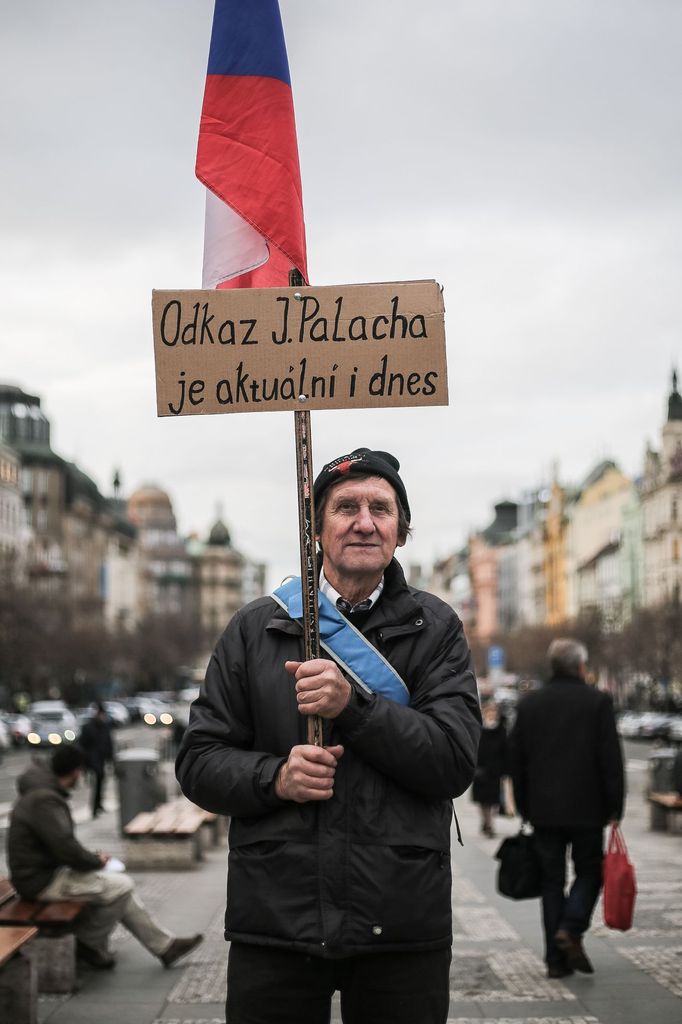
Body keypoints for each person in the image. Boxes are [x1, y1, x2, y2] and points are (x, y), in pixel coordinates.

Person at [176, 446, 481, 1024]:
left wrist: (354, 708)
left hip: (399, 920)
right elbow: (198, 761)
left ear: (402, 530)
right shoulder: (254, 628)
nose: (364, 522)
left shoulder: (436, 627)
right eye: (345, 507)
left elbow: (453, 760)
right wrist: (277, 779)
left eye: (381, 509)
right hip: (277, 923)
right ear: (315, 527)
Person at [6, 744, 203, 970]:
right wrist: (95, 861)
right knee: (122, 885)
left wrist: (93, 859)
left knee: (120, 890)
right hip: (41, 881)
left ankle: (165, 947)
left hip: (44, 873)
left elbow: (61, 845)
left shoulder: (41, 793)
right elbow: (65, 847)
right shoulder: (44, 799)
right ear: (76, 771)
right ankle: (88, 942)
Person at [509, 638, 625, 979]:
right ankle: (572, 929)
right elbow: (610, 759)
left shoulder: (530, 704)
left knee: (551, 882)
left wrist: (523, 804)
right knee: (590, 871)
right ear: (580, 666)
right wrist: (615, 806)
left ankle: (555, 961)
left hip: (543, 809)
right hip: (588, 809)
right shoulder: (598, 701)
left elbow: (517, 761)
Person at [471, 701, 512, 838]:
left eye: (494, 713)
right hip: (480, 771)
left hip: (495, 772)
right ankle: (485, 822)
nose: (492, 715)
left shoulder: (501, 730)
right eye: (490, 712)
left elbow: (505, 750)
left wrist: (505, 770)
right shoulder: (479, 729)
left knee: (492, 801)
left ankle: (489, 824)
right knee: (482, 801)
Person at [78, 702, 114, 817]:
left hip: (101, 759)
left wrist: (110, 758)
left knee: (100, 783)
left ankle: (98, 805)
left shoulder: (105, 726)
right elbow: (83, 745)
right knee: (96, 784)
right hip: (92, 760)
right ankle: (95, 807)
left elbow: (109, 743)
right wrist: (84, 763)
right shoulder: (88, 727)